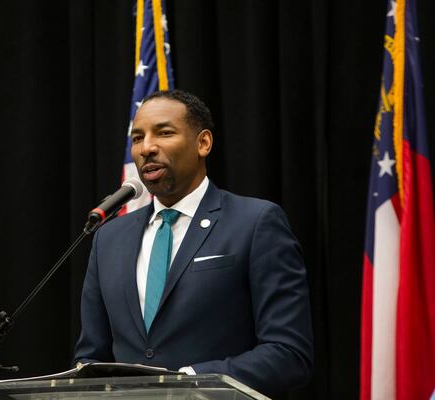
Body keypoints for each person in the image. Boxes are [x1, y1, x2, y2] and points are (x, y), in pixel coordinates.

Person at [73, 89, 313, 397]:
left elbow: (289, 353)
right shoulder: (108, 238)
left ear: (203, 143)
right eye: (137, 138)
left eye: (164, 133)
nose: (147, 148)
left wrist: (189, 382)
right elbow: (91, 358)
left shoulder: (255, 223)